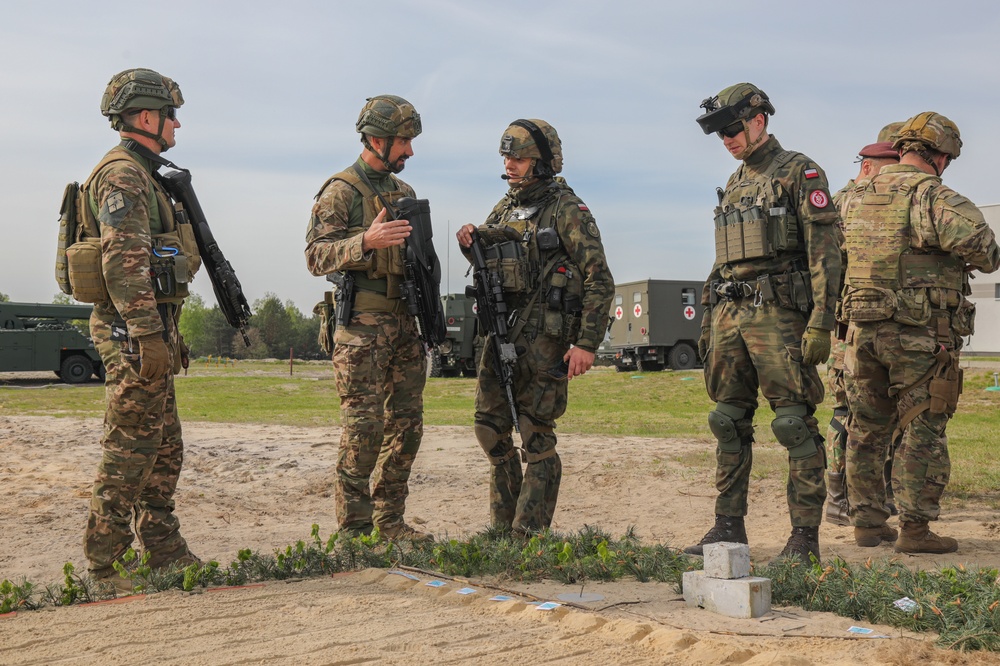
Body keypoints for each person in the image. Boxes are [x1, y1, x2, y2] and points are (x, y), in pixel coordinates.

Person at [686, 83, 842, 561]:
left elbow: (825, 251)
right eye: (720, 133)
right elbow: (725, 257)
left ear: (759, 120)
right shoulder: (735, 182)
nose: (727, 139)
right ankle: (728, 527)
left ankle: (804, 538)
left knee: (793, 423)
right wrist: (709, 318)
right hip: (731, 314)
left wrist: (821, 321)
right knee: (727, 421)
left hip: (779, 315)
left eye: (732, 128)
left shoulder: (799, 170)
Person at [841, 112, 1000, 552]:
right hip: (919, 334)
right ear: (943, 156)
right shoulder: (934, 196)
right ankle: (914, 530)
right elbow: (986, 252)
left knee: (865, 427)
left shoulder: (849, 197)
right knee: (922, 424)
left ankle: (868, 525)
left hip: (859, 332)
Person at [456, 119, 614, 535]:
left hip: (546, 340)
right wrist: (471, 240)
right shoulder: (505, 208)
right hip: (502, 335)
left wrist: (586, 343)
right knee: (488, 430)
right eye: (506, 157)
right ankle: (502, 527)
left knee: (535, 434)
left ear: (542, 162)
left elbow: (600, 279)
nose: (510, 164)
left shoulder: (567, 209)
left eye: (519, 158)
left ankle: (528, 535)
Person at [83, 68, 201, 590]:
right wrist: (148, 335)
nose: (177, 124)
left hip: (149, 330)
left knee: (164, 448)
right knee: (130, 448)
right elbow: (123, 261)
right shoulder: (124, 174)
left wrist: (167, 332)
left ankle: (162, 547)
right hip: (131, 334)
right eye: (171, 113)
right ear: (147, 116)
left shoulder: (145, 172)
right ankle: (103, 563)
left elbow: (154, 265)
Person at [305, 95, 432, 543]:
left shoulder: (405, 195)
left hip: (405, 327)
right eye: (403, 142)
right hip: (361, 328)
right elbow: (315, 256)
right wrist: (366, 241)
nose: (409, 152)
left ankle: (390, 522)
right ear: (376, 139)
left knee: (407, 428)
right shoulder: (339, 191)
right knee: (364, 431)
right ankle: (354, 533)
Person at [825, 127, 902, 527]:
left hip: (876, 329)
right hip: (847, 329)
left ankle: (877, 493)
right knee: (848, 412)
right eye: (893, 168)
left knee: (881, 415)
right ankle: (839, 496)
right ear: (868, 166)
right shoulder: (843, 204)